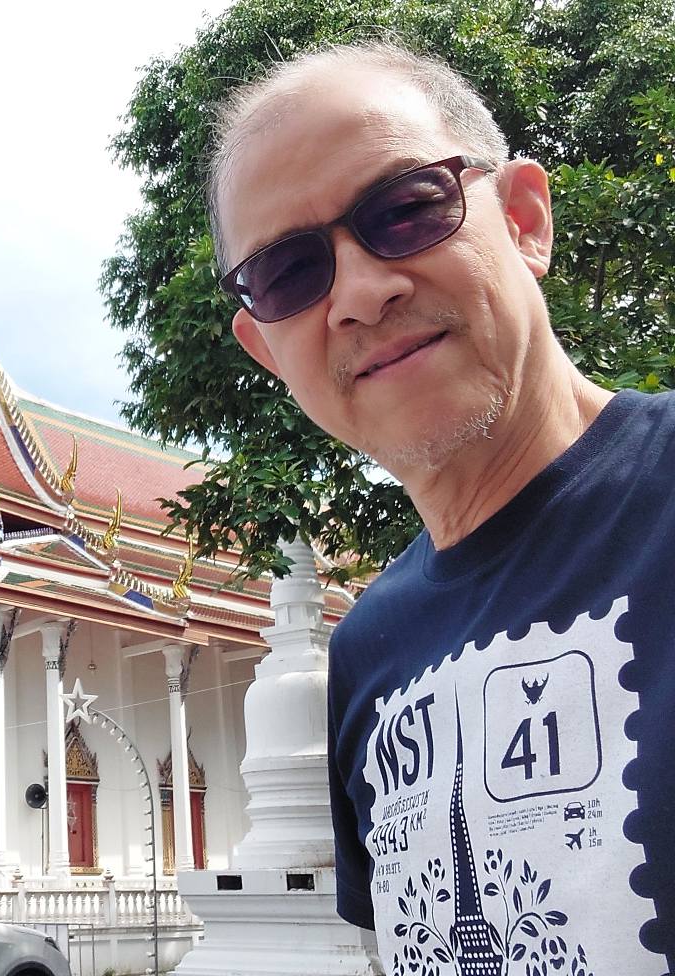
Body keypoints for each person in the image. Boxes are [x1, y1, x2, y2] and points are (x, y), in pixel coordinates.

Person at [206, 41, 673, 974]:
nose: (360, 294)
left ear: (524, 219)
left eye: (406, 210)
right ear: (267, 350)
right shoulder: (365, 652)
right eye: (291, 273)